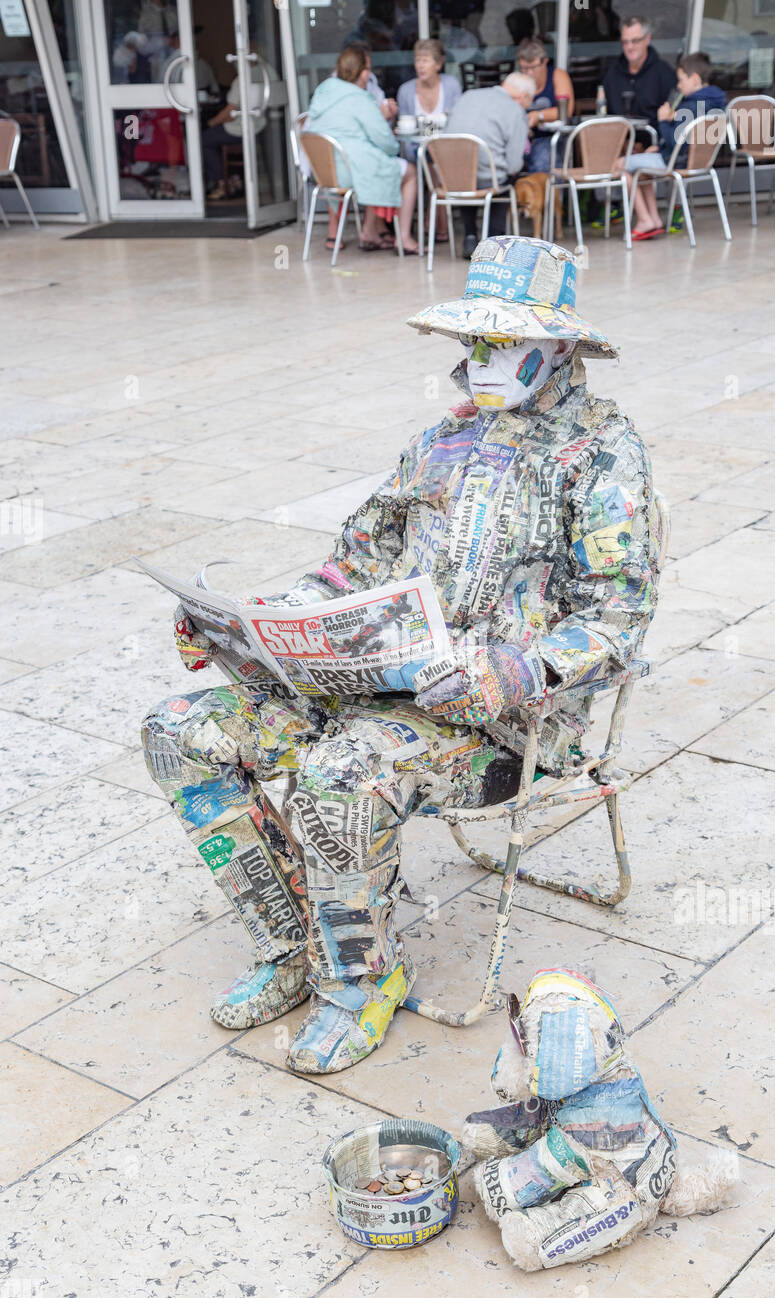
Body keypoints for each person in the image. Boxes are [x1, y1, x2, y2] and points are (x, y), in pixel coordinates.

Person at [141, 235, 659, 1076]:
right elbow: (354, 564)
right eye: (472, 343)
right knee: (179, 731)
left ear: (559, 346)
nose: (481, 361)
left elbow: (619, 618)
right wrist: (257, 621)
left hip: (503, 727)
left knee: (342, 772)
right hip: (377, 684)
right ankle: (291, 940)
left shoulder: (601, 456)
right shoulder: (442, 442)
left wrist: (514, 670)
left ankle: (361, 980)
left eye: (505, 343)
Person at [306, 44, 419, 253]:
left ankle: (370, 232)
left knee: (372, 163)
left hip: (324, 171)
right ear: (363, 72)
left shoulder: (324, 91)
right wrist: (389, 131)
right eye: (368, 69)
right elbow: (385, 142)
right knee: (408, 172)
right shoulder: (359, 98)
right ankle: (403, 238)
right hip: (350, 169)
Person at [620, 52, 727, 239]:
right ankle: (654, 220)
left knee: (620, 165)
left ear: (694, 79)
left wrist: (663, 121)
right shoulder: (715, 102)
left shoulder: (691, 105)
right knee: (642, 171)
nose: (678, 85)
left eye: (681, 80)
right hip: (698, 162)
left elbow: (676, 141)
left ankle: (646, 219)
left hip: (676, 161)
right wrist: (660, 146)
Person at [444, 72, 535, 257]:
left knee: (468, 172)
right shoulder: (515, 110)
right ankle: (494, 238)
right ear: (523, 97)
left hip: (451, 177)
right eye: (529, 102)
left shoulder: (468, 95)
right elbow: (513, 165)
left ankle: (470, 235)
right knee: (505, 176)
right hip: (488, 178)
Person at [397, 38, 461, 240]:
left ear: (438, 64)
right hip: (415, 149)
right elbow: (404, 132)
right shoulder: (406, 90)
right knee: (430, 159)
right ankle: (437, 220)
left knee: (435, 158)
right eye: (417, 60)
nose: (420, 65)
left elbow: (457, 120)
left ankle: (434, 218)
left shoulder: (451, 85)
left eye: (425, 60)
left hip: (447, 149)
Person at [202, 47, 277, 200]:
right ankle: (235, 179)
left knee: (204, 140)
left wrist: (211, 122)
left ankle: (223, 183)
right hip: (261, 125)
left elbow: (230, 112)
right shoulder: (267, 71)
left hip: (240, 129)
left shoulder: (242, 79)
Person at [602, 15, 676, 127]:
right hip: (619, 141)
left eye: (635, 41)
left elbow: (673, 119)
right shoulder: (612, 74)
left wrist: (658, 144)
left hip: (653, 141)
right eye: (625, 42)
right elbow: (605, 116)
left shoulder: (664, 74)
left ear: (647, 39)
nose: (629, 47)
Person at [515, 37, 574, 173]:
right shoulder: (516, 81)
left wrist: (539, 115)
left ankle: (549, 194)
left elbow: (566, 110)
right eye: (525, 68)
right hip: (521, 139)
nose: (529, 73)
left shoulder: (557, 76)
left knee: (543, 160)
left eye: (533, 67)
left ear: (545, 62)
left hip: (551, 138)